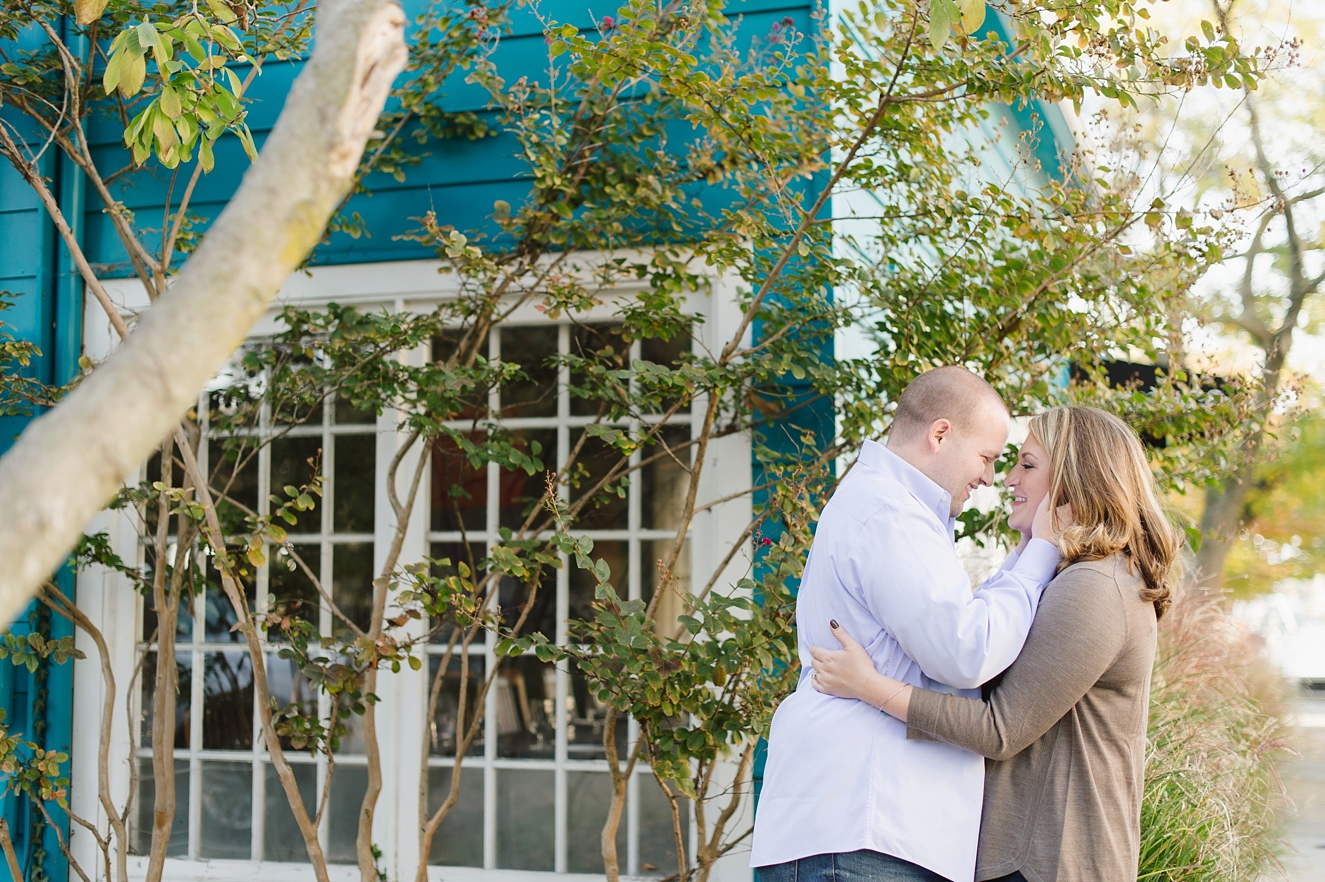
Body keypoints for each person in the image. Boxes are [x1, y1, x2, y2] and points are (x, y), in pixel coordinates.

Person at [809, 406, 1184, 882]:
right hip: (1032, 855)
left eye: (1027, 465)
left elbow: (1000, 729)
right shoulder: (1074, 577)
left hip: (1051, 858)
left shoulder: (1095, 587)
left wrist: (871, 687)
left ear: (1074, 479)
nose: (1008, 479)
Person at [750, 366, 1063, 882]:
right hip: (865, 830)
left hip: (851, 829)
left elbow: (951, 626)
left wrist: (1026, 550)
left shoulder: (886, 508)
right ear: (940, 434)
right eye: (986, 457)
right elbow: (965, 650)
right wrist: (1042, 552)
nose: (990, 477)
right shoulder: (890, 515)